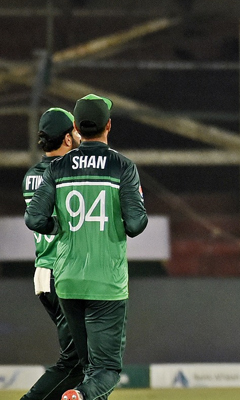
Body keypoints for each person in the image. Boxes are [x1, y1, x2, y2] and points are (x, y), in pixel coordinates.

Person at [25, 94, 148, 400]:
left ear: (78, 128)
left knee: (82, 365)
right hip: (106, 280)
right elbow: (136, 225)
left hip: (64, 278)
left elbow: (34, 218)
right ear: (108, 125)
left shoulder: (53, 169)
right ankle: (76, 397)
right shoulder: (122, 166)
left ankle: (80, 394)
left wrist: (58, 226)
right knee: (103, 370)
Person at [21, 108, 84, 400]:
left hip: (44, 273)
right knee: (74, 364)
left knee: (83, 363)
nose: (80, 134)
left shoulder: (32, 175)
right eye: (75, 130)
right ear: (67, 138)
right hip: (63, 273)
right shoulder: (66, 173)